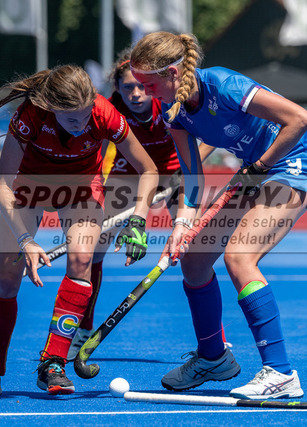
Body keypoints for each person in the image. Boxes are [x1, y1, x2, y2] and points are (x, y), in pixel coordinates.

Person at [130, 32, 307, 400]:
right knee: (194, 261)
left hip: (292, 166)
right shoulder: (175, 113)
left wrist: (261, 164)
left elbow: (300, 119)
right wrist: (181, 225)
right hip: (255, 172)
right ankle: (213, 358)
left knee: (239, 258)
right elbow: (192, 178)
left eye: (149, 84)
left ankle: (281, 373)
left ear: (173, 73)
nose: (144, 93)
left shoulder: (224, 85)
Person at [0, 64, 158, 397]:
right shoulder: (30, 116)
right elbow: (2, 184)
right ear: (51, 107)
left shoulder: (105, 114)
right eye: (70, 119)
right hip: (29, 187)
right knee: (7, 278)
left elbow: (148, 169)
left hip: (81, 189)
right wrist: (26, 240)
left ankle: (53, 363)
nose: (80, 126)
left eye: (84, 116)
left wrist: (138, 219)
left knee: (82, 262)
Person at [66, 49, 216, 360]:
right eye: (127, 88)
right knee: (92, 251)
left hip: (175, 175)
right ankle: (82, 330)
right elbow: (95, 151)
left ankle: (215, 342)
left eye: (140, 86)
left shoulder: (169, 101)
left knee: (196, 254)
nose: (135, 94)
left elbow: (213, 134)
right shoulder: (108, 109)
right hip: (128, 175)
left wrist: (186, 169)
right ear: (117, 89)